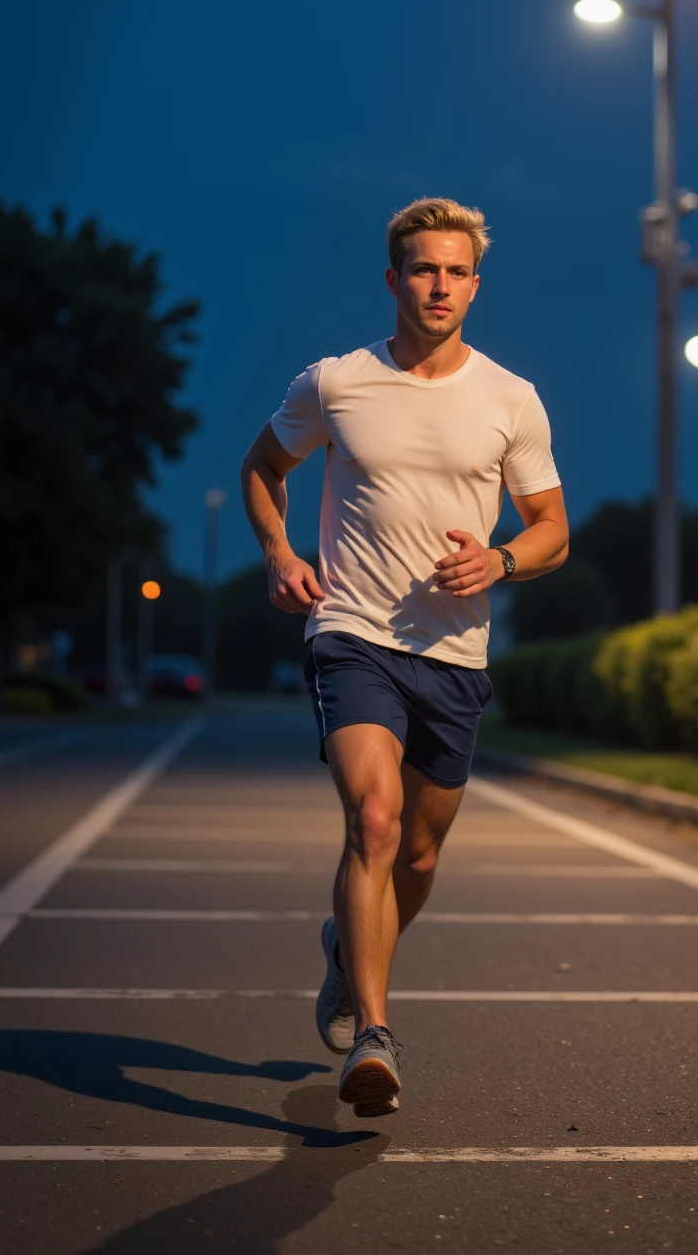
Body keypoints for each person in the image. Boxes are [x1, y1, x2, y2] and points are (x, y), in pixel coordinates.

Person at [241, 198, 568, 1116]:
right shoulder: (336, 383)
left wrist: (500, 559)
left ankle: (349, 953)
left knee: (417, 858)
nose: (439, 285)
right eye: (423, 269)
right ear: (393, 280)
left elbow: (552, 530)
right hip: (353, 635)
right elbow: (262, 468)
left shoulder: (512, 399)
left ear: (475, 284)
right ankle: (374, 1038)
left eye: (456, 271)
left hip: (454, 654)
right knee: (375, 823)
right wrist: (280, 554)